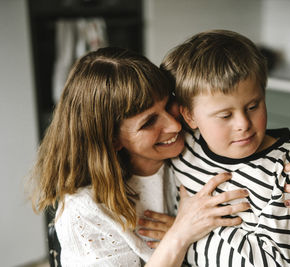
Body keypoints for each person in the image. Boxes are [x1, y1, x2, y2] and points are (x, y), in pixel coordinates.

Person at [28, 47, 251, 267]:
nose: (174, 125)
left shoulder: (192, 145)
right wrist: (180, 234)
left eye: (167, 104)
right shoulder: (84, 211)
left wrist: (285, 171)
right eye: (149, 122)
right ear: (113, 139)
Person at [161, 30, 290, 266]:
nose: (243, 124)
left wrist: (183, 236)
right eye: (225, 115)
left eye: (253, 106)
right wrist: (182, 233)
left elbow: (283, 263)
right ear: (189, 116)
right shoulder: (184, 146)